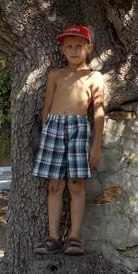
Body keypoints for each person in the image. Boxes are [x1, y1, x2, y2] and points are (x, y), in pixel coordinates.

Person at [33, 24, 106, 256]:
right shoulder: (56, 75)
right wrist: (46, 130)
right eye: (69, 47)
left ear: (89, 48)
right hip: (54, 129)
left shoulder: (94, 77)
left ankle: (74, 238)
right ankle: (53, 238)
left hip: (78, 129)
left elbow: (98, 112)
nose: (74, 51)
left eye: (78, 46)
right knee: (54, 185)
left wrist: (96, 146)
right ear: (63, 50)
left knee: (76, 184)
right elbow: (46, 108)